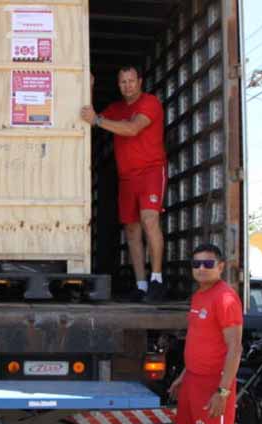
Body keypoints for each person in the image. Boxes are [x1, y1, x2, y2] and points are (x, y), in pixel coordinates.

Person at [81, 66, 167, 303]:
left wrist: (98, 120)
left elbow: (132, 128)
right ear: (118, 85)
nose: (127, 86)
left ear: (140, 81)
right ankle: (141, 284)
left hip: (150, 171)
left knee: (149, 220)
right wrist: (88, 87)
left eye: (131, 81)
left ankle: (157, 280)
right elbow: (91, 117)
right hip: (126, 176)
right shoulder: (117, 109)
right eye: (123, 82)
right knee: (131, 230)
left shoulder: (150, 103)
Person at [165, 243, 243, 424]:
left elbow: (234, 348)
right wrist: (184, 374)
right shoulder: (199, 296)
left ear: (220, 267)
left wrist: (222, 391)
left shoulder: (225, 298)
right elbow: (200, 340)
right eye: (196, 264)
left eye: (208, 264)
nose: (201, 268)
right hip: (193, 381)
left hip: (215, 383)